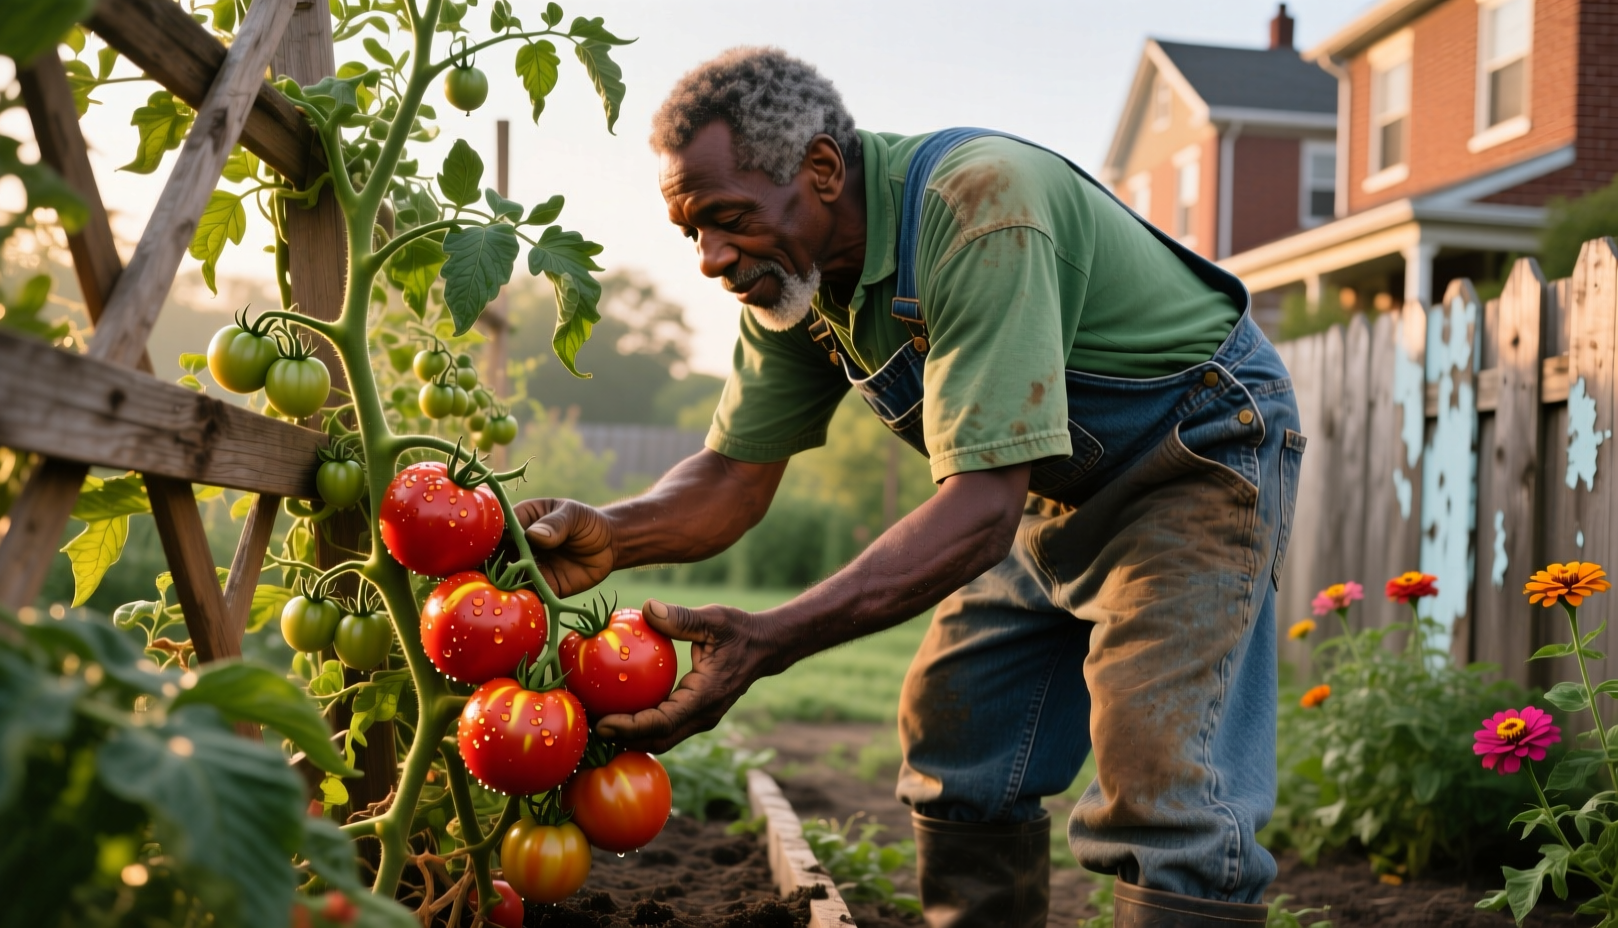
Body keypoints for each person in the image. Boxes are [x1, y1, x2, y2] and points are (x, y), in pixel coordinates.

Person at [513, 47, 1304, 928]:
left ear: (820, 169)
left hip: (1188, 454)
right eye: (691, 232)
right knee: (958, 737)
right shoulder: (793, 284)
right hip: (1045, 487)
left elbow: (975, 516)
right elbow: (732, 478)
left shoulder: (976, 209)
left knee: (1164, 780)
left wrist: (767, 639)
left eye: (725, 219)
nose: (708, 257)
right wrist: (613, 534)